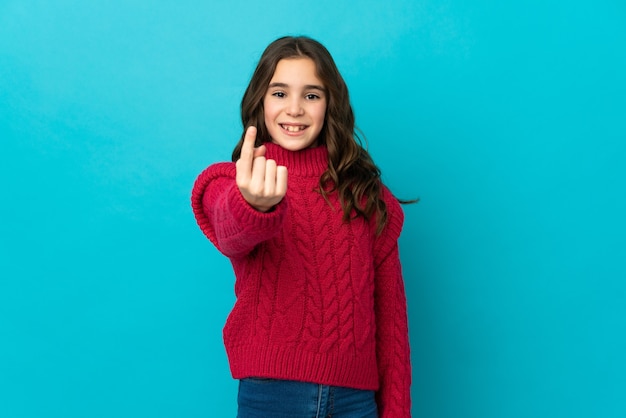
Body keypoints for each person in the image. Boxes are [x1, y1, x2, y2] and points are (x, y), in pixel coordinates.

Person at [191, 36, 412, 418]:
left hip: (356, 403)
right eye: (279, 93)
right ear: (260, 101)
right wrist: (254, 204)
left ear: (330, 105)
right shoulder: (228, 182)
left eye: (312, 95)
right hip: (272, 398)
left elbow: (391, 324)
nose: (294, 109)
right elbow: (231, 230)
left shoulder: (365, 195)